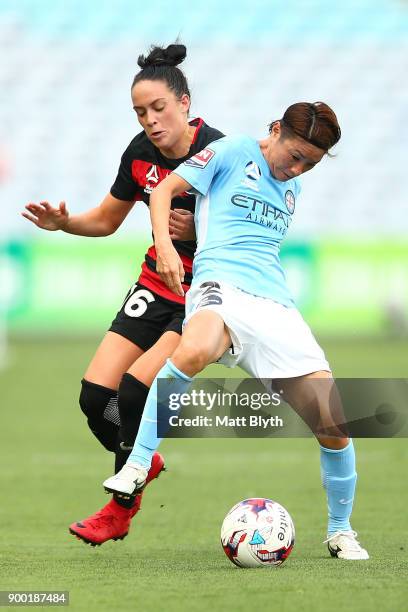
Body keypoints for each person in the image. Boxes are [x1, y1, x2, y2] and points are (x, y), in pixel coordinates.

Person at [103, 101, 369, 560]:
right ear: (275, 130)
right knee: (196, 347)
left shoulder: (292, 188)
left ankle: (340, 531)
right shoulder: (232, 151)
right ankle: (137, 464)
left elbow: (247, 233)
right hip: (218, 285)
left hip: (274, 305)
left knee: (335, 427)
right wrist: (166, 246)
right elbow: (166, 190)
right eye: (295, 154)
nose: (298, 167)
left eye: (311, 163)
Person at [21, 43, 224, 546]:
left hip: (203, 293)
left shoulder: (220, 151)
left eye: (158, 108)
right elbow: (108, 220)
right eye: (140, 112)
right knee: (96, 398)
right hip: (155, 285)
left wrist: (196, 230)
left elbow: (246, 233)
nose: (150, 121)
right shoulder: (139, 153)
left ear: (185, 103)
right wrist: (65, 223)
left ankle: (119, 510)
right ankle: (142, 458)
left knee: (135, 389)